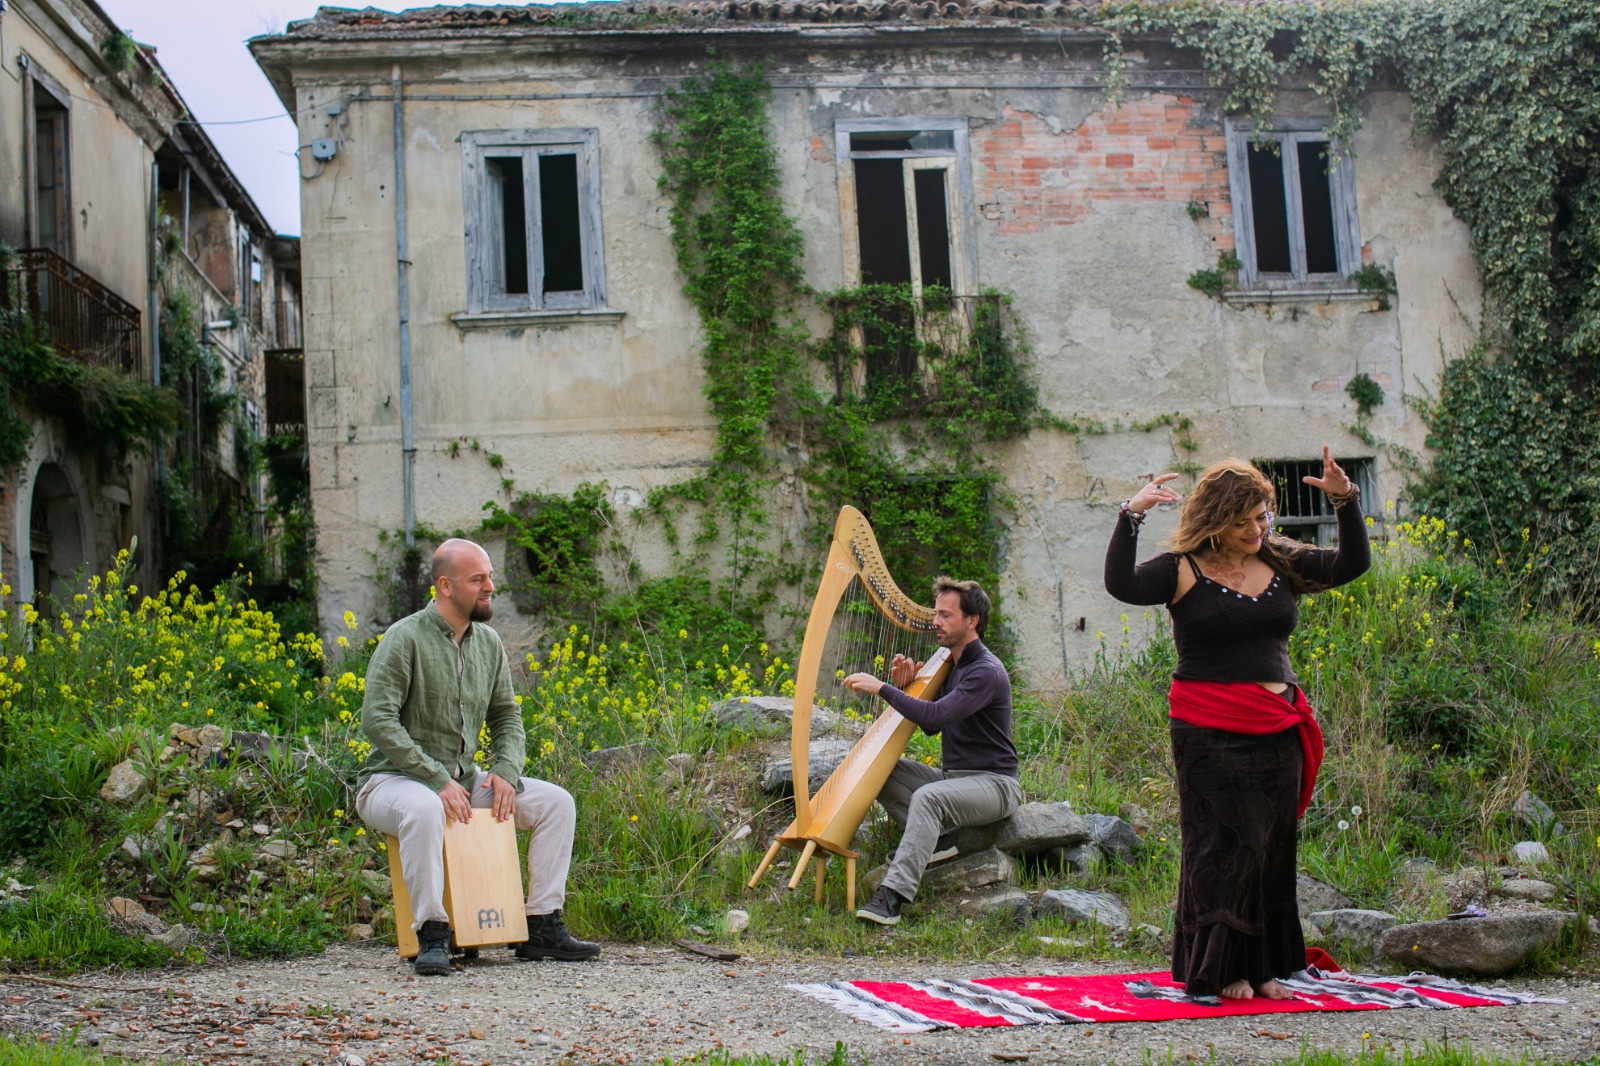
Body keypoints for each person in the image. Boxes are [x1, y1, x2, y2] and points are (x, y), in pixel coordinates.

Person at [1103, 446, 1369, 1000]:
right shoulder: (1181, 569)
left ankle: (1263, 965)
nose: (1257, 528)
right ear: (1217, 521)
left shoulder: (1279, 558)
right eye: (1244, 519)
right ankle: (1220, 969)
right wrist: (1131, 515)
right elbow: (1121, 584)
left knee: (1271, 844)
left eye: (1262, 516)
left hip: (1277, 722)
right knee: (1223, 843)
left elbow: (1350, 565)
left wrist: (1345, 501)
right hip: (1207, 727)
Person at [355, 538, 599, 976]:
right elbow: (376, 719)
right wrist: (434, 777)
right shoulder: (404, 637)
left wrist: (505, 770)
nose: (490, 587)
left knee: (554, 803)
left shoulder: (487, 642)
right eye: (478, 579)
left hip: (465, 783)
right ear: (445, 586)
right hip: (390, 784)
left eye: (490, 576)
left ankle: (541, 925)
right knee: (426, 805)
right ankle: (431, 935)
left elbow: (507, 715)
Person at [842, 577, 1021, 926]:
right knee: (877, 766)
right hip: (955, 780)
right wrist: (906, 685)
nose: (935, 621)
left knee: (929, 797)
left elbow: (935, 715)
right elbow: (932, 725)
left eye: (945, 615)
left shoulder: (984, 671)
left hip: (995, 785)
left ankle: (892, 897)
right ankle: (936, 843)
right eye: (936, 613)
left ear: (972, 621)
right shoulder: (951, 665)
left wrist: (882, 688)